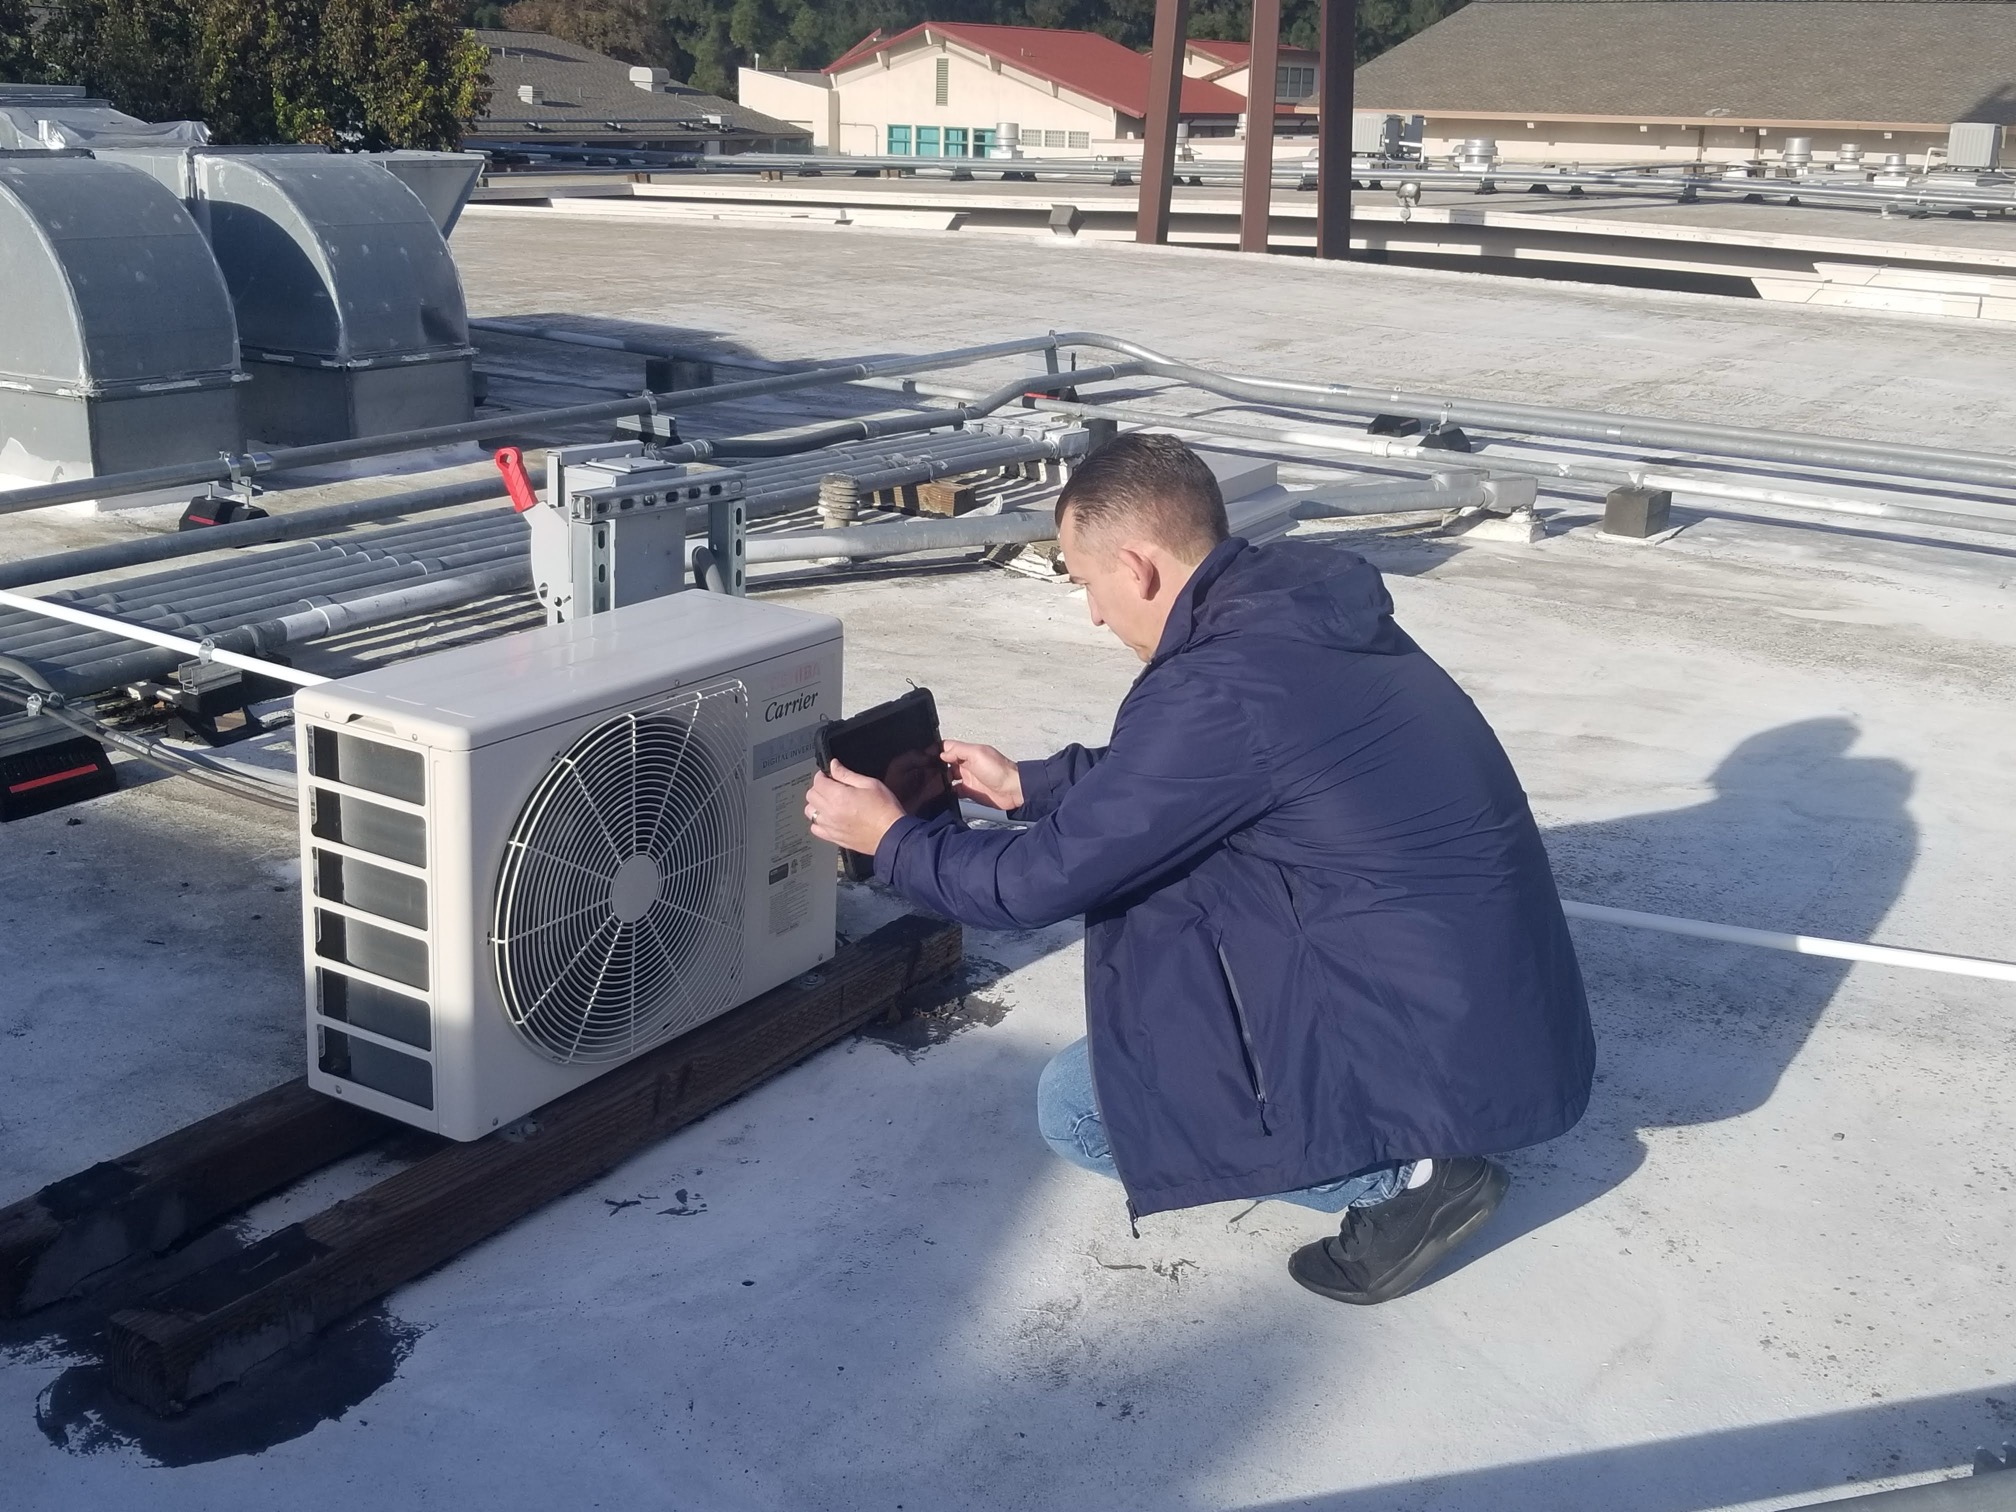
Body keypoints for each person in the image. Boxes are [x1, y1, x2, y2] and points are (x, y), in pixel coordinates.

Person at [806, 433, 1594, 1305]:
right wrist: (1027, 784)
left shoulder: (1216, 688)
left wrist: (891, 840)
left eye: (1085, 582)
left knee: (1078, 1105)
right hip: (1478, 998)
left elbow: (1034, 886)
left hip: (1428, 1032)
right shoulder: (1288, 615)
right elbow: (1189, 774)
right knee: (1163, 956)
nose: (1095, 615)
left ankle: (1410, 1183)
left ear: (1137, 567)